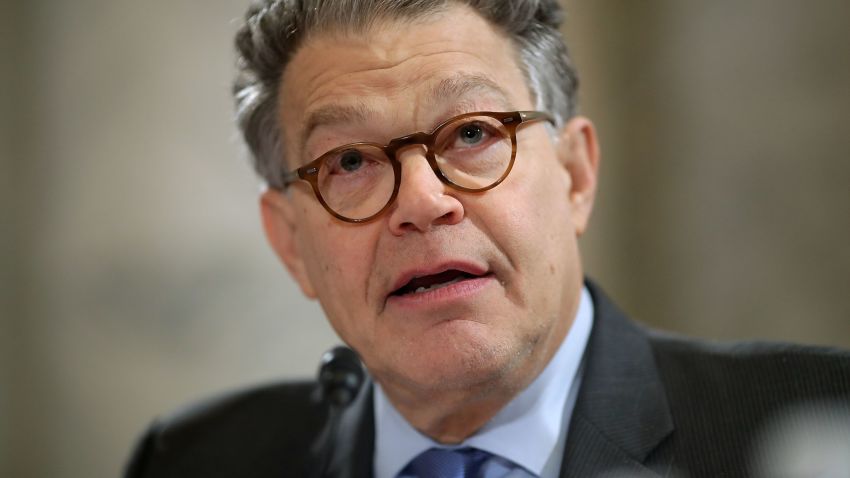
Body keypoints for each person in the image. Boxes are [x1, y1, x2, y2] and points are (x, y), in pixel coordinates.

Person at [124, 1, 850, 477]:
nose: (422, 201)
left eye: (472, 133)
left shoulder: (808, 424)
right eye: (349, 162)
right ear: (290, 245)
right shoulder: (195, 460)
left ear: (575, 176)